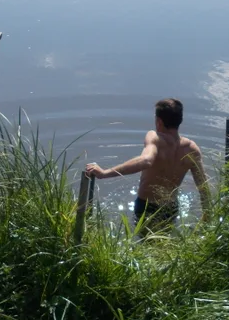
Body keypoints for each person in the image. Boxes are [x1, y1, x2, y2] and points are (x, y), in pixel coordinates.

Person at [86, 98, 211, 233]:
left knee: (145, 247)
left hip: (146, 207)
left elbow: (146, 160)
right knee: (164, 244)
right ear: (180, 120)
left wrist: (105, 173)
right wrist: (207, 218)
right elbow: (203, 187)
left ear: (159, 121)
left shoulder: (155, 138)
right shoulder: (192, 149)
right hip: (171, 208)